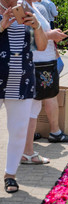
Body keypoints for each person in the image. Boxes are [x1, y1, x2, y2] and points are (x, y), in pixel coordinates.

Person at [0, 0, 47, 193]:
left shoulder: (29, 9)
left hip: (22, 79)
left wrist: (36, 26)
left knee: (19, 130)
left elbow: (42, 46)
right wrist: (2, 26)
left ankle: (10, 175)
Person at [21, 0, 68, 166]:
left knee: (33, 109)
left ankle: (28, 151)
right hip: (35, 64)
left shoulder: (34, 6)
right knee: (29, 109)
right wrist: (50, 35)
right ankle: (26, 152)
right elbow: (24, 39)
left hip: (43, 63)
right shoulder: (23, 5)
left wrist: (51, 36)